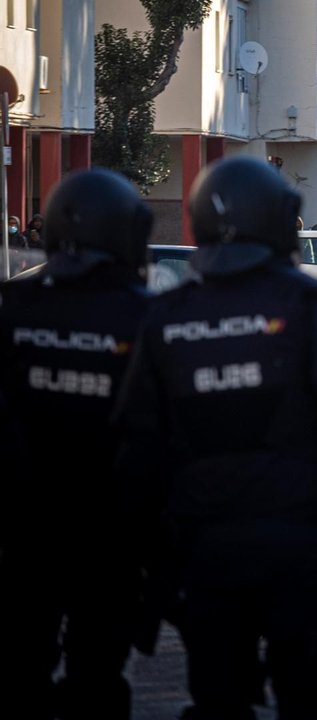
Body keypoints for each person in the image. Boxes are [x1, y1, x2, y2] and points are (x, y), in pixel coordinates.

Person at [114, 157, 317, 718]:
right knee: (307, 698)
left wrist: (144, 563)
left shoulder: (165, 318)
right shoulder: (307, 306)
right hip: (297, 546)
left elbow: (136, 452)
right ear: (280, 221)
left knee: (217, 699)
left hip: (202, 552)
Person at [0, 170, 155, 718]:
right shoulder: (145, 317)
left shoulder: (11, 307)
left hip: (19, 534)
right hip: (108, 537)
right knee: (98, 677)